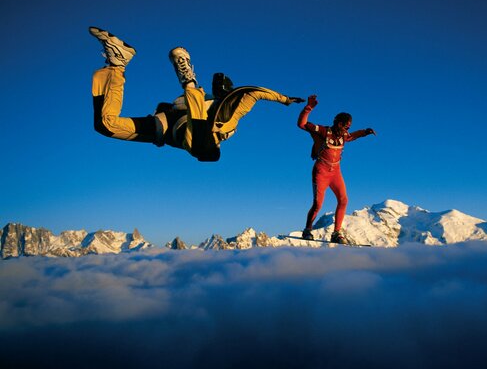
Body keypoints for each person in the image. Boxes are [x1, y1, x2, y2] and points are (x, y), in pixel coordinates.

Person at [89, 26, 304, 161]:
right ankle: (118, 63)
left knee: (205, 146)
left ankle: (188, 80)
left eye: (222, 87)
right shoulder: (211, 101)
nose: (218, 88)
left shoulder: (228, 109)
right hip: (169, 124)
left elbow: (253, 93)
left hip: (191, 135)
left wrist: (284, 99)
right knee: (105, 125)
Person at [298, 95, 376, 244]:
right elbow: (302, 124)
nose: (346, 130)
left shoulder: (344, 135)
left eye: (348, 127)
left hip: (335, 173)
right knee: (318, 204)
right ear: (337, 123)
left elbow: (353, 136)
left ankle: (336, 233)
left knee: (343, 200)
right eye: (344, 126)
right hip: (321, 172)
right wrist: (308, 108)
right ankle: (307, 230)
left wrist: (365, 132)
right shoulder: (322, 131)